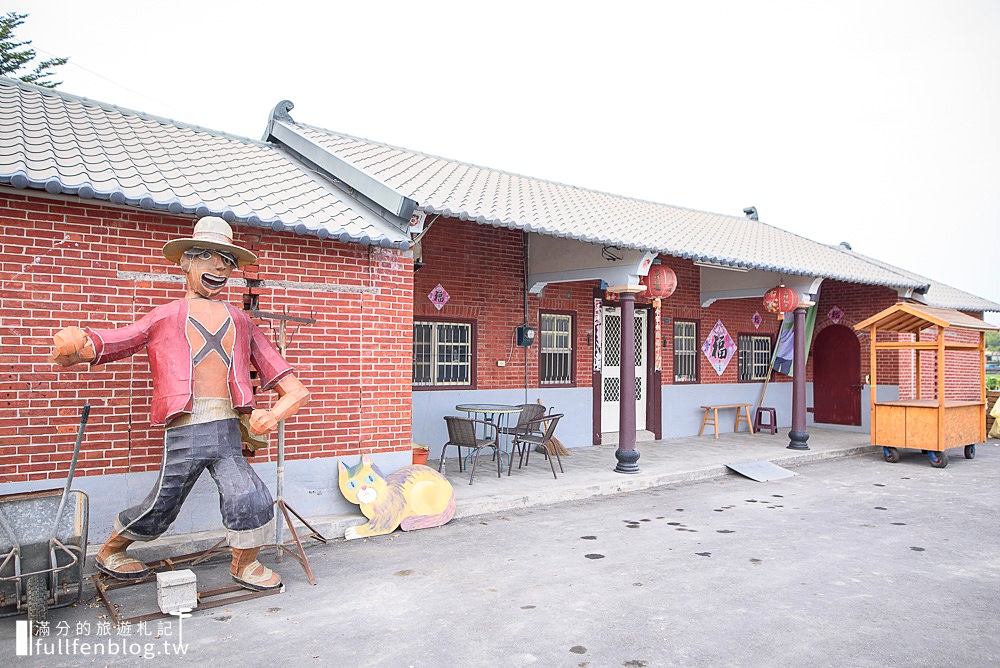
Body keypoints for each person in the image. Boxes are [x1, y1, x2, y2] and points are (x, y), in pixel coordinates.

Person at [51, 217, 309, 591]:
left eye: (227, 260)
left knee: (250, 495)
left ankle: (244, 565)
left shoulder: (242, 321)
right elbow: (120, 340)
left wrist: (274, 413)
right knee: (162, 505)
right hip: (185, 429)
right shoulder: (166, 315)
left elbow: (295, 389)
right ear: (185, 262)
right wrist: (79, 348)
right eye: (207, 256)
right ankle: (110, 550)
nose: (219, 266)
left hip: (227, 431)